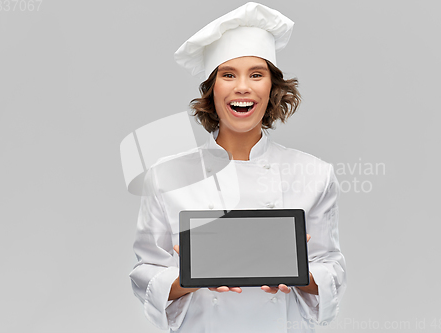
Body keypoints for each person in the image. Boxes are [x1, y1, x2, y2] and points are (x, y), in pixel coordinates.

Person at [129, 2, 347, 332]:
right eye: (228, 75)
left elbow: (332, 268)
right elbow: (144, 273)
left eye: (256, 75)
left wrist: (296, 270)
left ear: (272, 88)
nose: (242, 87)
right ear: (211, 90)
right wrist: (190, 276)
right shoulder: (166, 176)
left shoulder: (314, 173)